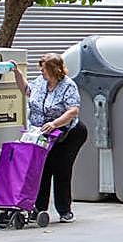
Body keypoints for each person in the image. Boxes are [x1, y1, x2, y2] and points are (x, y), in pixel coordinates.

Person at [10, 54, 87, 221]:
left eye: (44, 68)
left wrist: (55, 124)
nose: (41, 71)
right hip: (44, 133)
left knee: (60, 168)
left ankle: (64, 210)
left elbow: (73, 111)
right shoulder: (40, 82)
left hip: (68, 133)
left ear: (54, 69)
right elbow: (26, 90)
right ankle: (39, 208)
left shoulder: (67, 86)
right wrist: (17, 73)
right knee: (41, 168)